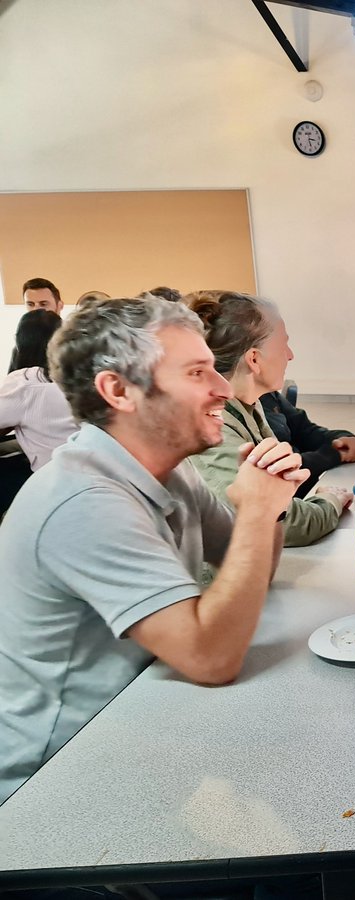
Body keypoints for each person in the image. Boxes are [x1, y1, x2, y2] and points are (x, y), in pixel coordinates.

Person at [0, 296, 307, 804]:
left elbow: (252, 568)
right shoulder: (83, 501)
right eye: (196, 373)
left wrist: (269, 505)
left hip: (131, 729)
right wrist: (255, 511)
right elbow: (211, 658)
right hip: (50, 790)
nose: (223, 389)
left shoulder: (169, 469)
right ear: (118, 391)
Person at [187, 292, 353, 546]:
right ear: (254, 359)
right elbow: (286, 523)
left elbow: (278, 497)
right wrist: (331, 501)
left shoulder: (247, 407)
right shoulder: (212, 428)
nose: (290, 355)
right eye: (283, 344)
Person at [0, 310, 78, 471]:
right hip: (89, 468)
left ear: (18, 341)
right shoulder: (78, 373)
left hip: (52, 476)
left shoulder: (25, 381)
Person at [260, 389, 355, 496]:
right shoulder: (244, 416)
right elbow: (276, 470)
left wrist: (342, 439)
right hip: (287, 506)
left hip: (308, 494)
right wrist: (334, 455)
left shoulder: (267, 395)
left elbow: (305, 431)